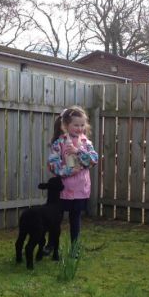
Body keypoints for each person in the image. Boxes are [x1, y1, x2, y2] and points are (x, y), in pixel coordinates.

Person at [43, 106, 98, 254]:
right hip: (63, 190)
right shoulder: (59, 144)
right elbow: (52, 165)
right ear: (66, 125)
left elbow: (93, 160)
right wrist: (68, 171)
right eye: (76, 125)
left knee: (75, 219)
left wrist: (78, 151)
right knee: (56, 218)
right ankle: (51, 245)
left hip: (80, 190)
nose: (80, 128)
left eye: (82, 125)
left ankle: (75, 248)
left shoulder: (86, 143)